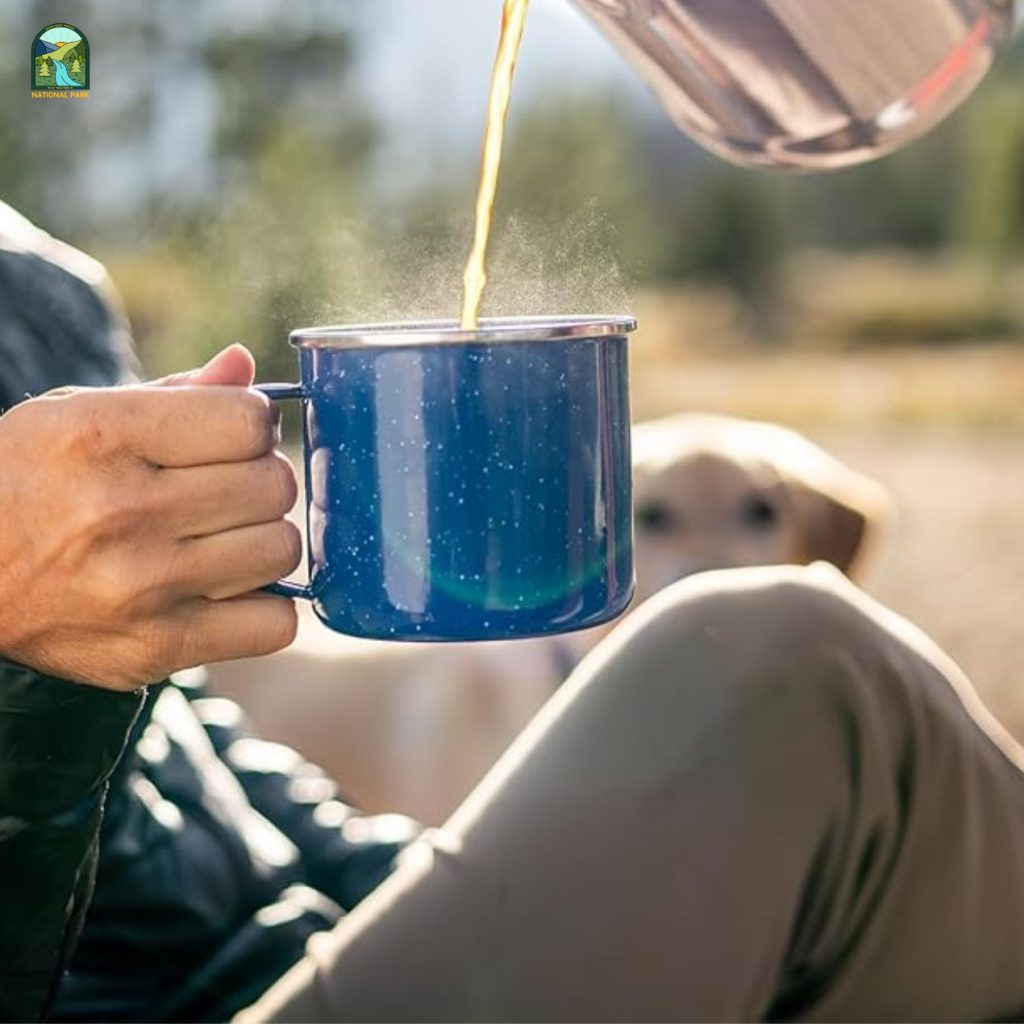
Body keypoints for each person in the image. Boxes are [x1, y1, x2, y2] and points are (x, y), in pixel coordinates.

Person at [4, 205, 1024, 1024]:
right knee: (791, 662)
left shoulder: (40, 290)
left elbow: (204, 782)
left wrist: (488, 896)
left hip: (315, 959)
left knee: (873, 828)